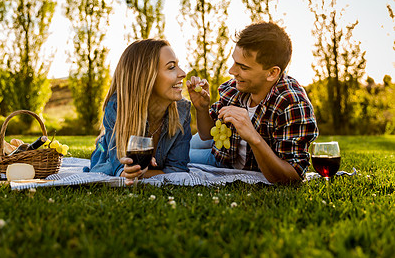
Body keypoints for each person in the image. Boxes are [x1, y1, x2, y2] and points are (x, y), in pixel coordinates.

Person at [187, 22, 319, 184]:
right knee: (173, 148)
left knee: (175, 157)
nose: (232, 71)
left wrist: (253, 137)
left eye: (243, 67)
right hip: (221, 156)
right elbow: (207, 135)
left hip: (238, 166)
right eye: (234, 62)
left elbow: (293, 176)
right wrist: (202, 108)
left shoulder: (291, 104)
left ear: (272, 73)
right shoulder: (233, 88)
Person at [84, 39, 192, 185]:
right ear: (146, 76)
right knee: (104, 164)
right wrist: (126, 171)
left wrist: (142, 173)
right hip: (105, 154)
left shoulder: (183, 110)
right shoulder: (117, 107)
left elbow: (178, 170)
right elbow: (115, 168)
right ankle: (103, 140)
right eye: (171, 67)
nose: (183, 73)